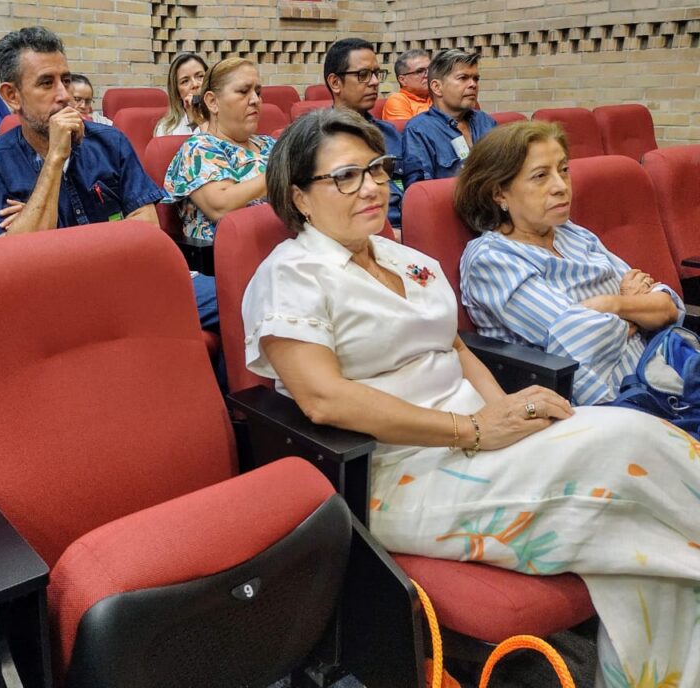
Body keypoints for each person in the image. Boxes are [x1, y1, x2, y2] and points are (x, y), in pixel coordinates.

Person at [243, 107, 700, 688]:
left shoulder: (405, 258)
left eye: (379, 169)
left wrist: (504, 410)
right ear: (300, 197)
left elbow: (454, 347)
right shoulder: (293, 274)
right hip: (395, 471)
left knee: (650, 542)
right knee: (628, 445)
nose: (373, 187)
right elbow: (324, 399)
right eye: (346, 176)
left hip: (479, 442)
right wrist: (474, 432)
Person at [0, 27, 217, 330]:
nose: (64, 95)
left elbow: (147, 227)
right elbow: (18, 260)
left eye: (65, 79)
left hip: (128, 279)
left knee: (237, 295)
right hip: (57, 300)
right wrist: (55, 158)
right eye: (46, 83)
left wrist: (50, 233)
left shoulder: (110, 142)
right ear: (12, 96)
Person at [458, 121, 683, 407]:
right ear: (499, 193)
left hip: (665, 369)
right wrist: (634, 306)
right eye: (541, 176)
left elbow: (667, 306)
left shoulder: (573, 234)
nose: (561, 186)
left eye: (564, 170)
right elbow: (580, 340)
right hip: (610, 401)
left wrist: (611, 305)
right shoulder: (491, 261)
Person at [163, 57, 274, 241]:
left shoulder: (269, 144)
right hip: (228, 258)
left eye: (258, 92)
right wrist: (282, 174)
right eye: (243, 91)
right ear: (212, 102)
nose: (255, 99)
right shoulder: (199, 148)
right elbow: (221, 206)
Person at [323, 38, 404, 229]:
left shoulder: (388, 132)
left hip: (409, 224)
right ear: (335, 83)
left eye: (376, 74)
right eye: (363, 74)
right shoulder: (322, 140)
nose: (375, 82)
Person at [401, 49, 495, 188]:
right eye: (463, 78)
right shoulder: (419, 130)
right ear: (437, 87)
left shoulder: (485, 121)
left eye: (476, 78)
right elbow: (421, 192)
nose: (473, 84)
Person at [154, 52, 208, 137]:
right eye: (185, 81)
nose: (195, 84)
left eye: (200, 76)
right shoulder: (166, 129)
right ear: (177, 92)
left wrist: (201, 121)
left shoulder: (226, 118)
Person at [382, 49, 431, 122]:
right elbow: (409, 131)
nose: (428, 74)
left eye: (430, 69)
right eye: (420, 71)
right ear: (402, 80)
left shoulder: (438, 95)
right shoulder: (398, 100)